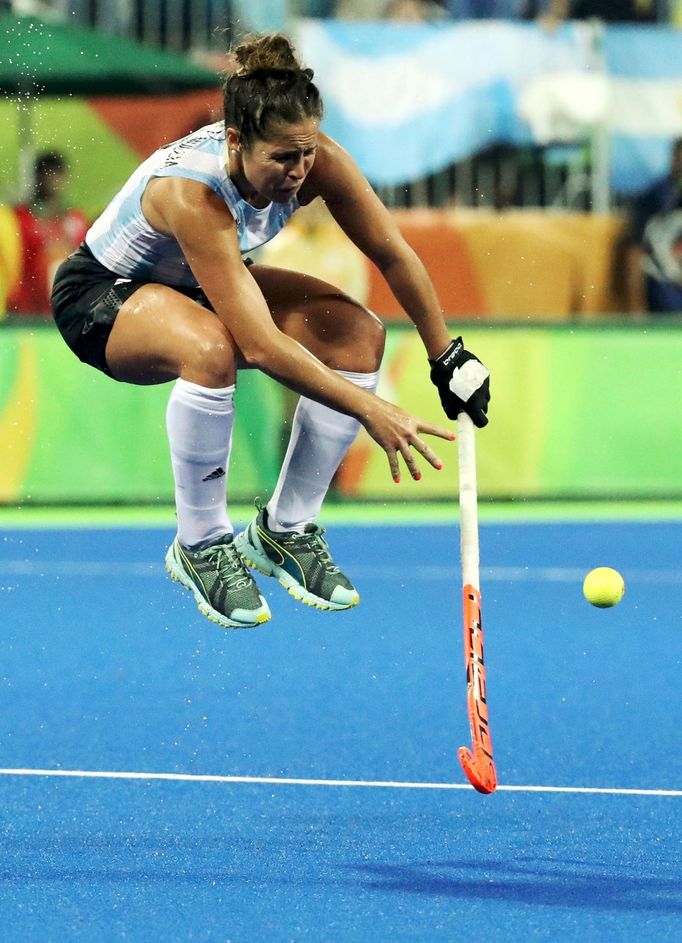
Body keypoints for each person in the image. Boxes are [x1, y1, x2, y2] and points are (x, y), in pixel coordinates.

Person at [51, 33, 491, 630]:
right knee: (211, 349)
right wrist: (369, 407)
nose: (298, 171)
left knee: (356, 335)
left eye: (306, 153)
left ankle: (286, 531)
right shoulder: (192, 193)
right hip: (102, 297)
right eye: (283, 158)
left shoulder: (318, 160)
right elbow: (259, 344)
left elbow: (393, 254)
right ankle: (201, 543)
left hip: (197, 286)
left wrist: (448, 355)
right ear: (236, 141)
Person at [9, 151, 89, 316]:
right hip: (27, 312)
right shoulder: (20, 220)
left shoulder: (76, 220)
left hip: (68, 313)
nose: (54, 181)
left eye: (58, 175)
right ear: (37, 178)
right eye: (48, 174)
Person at [626, 138, 682, 315]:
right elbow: (635, 253)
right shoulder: (653, 198)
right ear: (674, 159)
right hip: (663, 297)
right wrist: (636, 305)